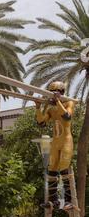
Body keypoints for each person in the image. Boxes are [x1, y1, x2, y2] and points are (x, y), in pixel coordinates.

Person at [36, 81, 75, 210]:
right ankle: (54, 201)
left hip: (66, 141)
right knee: (52, 169)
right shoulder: (51, 108)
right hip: (55, 142)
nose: (53, 95)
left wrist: (58, 101)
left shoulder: (69, 103)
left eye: (56, 92)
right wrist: (38, 108)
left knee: (64, 168)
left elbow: (67, 116)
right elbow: (41, 122)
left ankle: (69, 200)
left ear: (61, 92)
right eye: (51, 92)